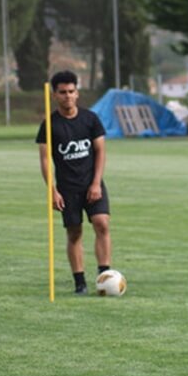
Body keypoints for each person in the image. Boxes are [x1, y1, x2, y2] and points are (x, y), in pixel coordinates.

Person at [37, 70, 112, 295]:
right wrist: (52, 191)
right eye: (62, 92)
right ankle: (79, 282)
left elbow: (100, 152)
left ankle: (104, 276)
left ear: (77, 93)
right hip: (67, 188)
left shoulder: (90, 119)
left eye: (71, 91)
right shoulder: (49, 125)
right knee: (74, 233)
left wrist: (96, 183)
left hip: (92, 182)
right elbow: (44, 160)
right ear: (54, 95)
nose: (67, 96)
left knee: (102, 223)